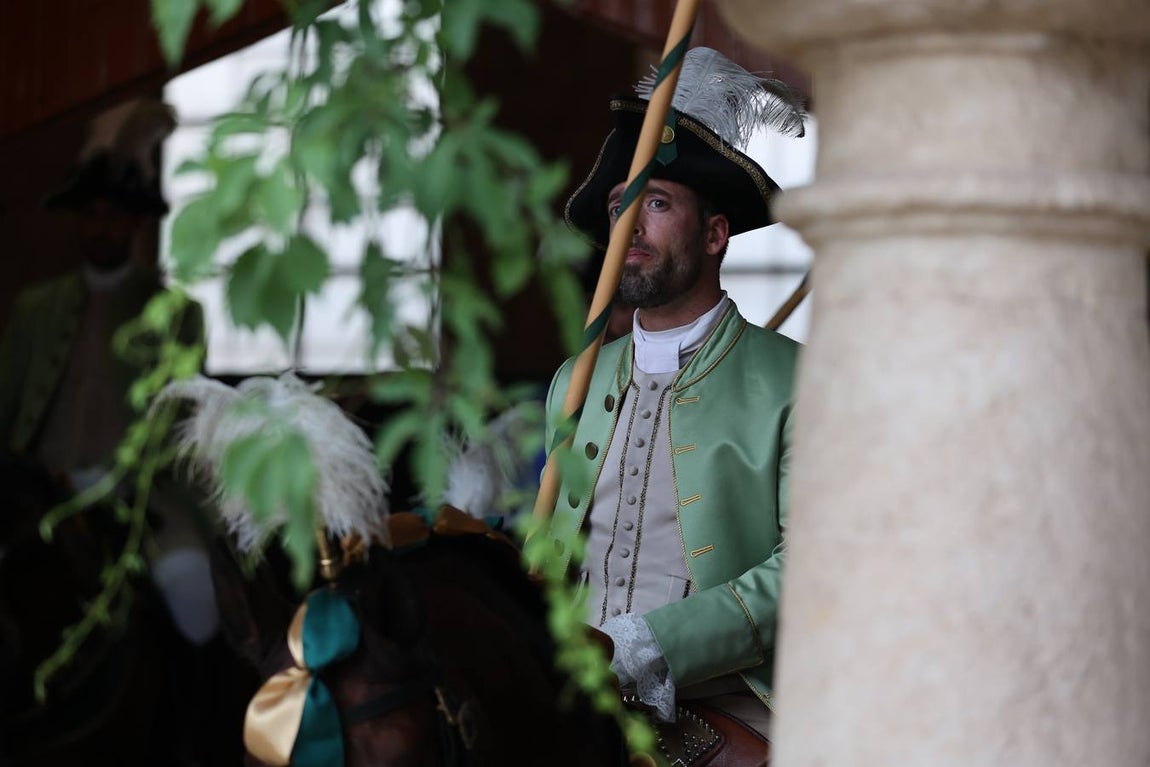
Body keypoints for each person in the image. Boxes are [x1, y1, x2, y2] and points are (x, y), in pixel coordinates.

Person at [543, 47, 807, 754]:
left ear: (715, 234)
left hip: (727, 694)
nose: (628, 226)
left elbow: (809, 565)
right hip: (573, 694)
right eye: (617, 206)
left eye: (655, 203)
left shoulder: (800, 382)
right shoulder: (576, 378)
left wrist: (646, 645)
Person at [0, 97, 237, 764]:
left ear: (135, 222)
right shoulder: (35, 307)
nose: (102, 225)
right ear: (76, 219)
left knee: (194, 587)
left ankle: (200, 734)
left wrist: (131, 476)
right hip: (38, 491)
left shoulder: (174, 311)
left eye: (116, 213)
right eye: (92, 212)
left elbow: (182, 420)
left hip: (138, 493)